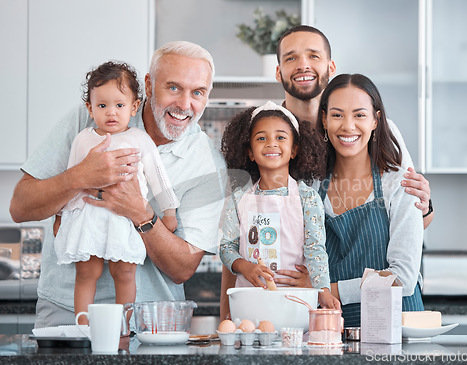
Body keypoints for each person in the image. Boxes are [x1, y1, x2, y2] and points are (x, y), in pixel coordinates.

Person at [9, 41, 226, 328]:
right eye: (173, 87)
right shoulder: (90, 118)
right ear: (148, 85)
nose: (185, 105)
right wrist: (79, 177)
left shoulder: (208, 164)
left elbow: (182, 268)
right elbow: (20, 207)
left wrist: (141, 213)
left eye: (197, 92)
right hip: (65, 311)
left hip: (151, 321)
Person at [53, 61, 180, 324]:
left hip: (124, 220)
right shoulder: (83, 139)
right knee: (87, 272)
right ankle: (83, 327)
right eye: (102, 106)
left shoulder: (139, 139)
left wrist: (169, 212)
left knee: (124, 272)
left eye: (119, 105)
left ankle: (123, 326)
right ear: (90, 108)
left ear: (134, 107)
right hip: (88, 217)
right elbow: (71, 181)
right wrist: (61, 217)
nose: (111, 112)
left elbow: (159, 178)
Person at [274, 25, 434, 228]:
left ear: (331, 67)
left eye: (313, 56)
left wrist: (424, 205)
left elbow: (418, 218)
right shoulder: (268, 136)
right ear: (279, 72)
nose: (303, 65)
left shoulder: (374, 131)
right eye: (291, 58)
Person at [314, 73, 425, 327]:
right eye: (337, 114)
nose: (348, 126)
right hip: (335, 332)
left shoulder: (400, 183)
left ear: (376, 120)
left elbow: (403, 279)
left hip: (399, 329)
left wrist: (327, 289)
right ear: (324, 119)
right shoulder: (310, 186)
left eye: (359, 115)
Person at [219, 101, 340, 320]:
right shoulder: (238, 199)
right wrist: (244, 266)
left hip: (295, 301)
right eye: (261, 138)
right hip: (250, 302)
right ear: (250, 152)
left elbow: (316, 249)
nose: (271, 144)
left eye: (281, 137)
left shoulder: (307, 198)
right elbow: (227, 247)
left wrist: (323, 290)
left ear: (294, 150)